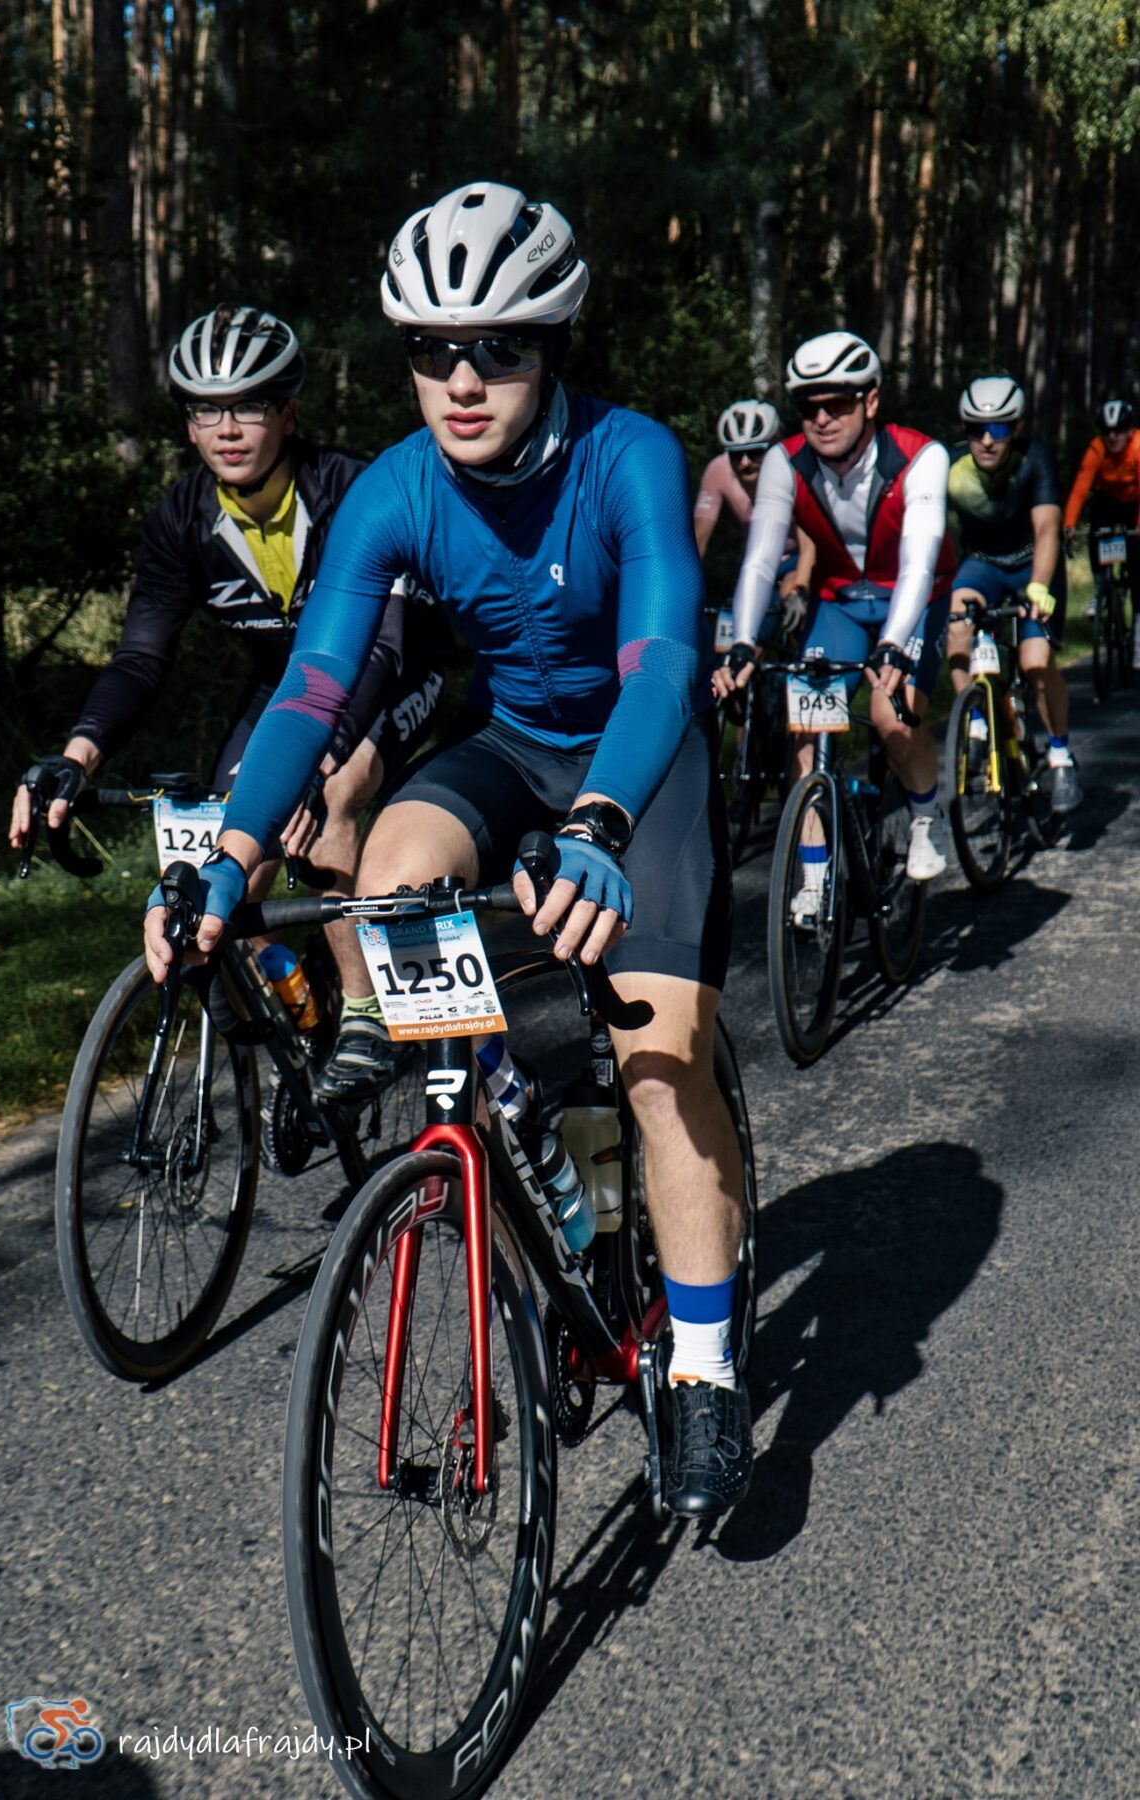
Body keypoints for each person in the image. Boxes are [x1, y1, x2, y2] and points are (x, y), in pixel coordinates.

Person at [143, 182, 753, 1520]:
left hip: (640, 761)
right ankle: (516, 1155)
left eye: (499, 348)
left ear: (553, 347)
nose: (463, 380)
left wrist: (601, 823)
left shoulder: (632, 456)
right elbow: (313, 687)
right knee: (390, 874)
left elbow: (663, 660)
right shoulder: (397, 488)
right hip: (516, 746)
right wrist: (229, 865)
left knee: (658, 1068)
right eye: (432, 350)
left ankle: (706, 1369)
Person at [9, 304, 447, 1096]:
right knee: (224, 852)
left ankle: (365, 1018)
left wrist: (323, 764)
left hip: (396, 672)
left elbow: (383, 648)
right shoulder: (182, 519)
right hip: (288, 689)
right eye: (206, 410)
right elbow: (141, 659)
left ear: (289, 414)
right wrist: (77, 756)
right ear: (187, 426)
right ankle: (300, 1016)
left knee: (330, 803)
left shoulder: (350, 490)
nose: (228, 428)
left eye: (249, 405)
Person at [716, 331, 954, 915]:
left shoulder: (921, 457)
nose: (821, 418)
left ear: (870, 401)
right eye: (808, 406)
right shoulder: (785, 461)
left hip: (913, 598)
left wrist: (893, 644)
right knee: (808, 726)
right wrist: (743, 643)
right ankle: (814, 874)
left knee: (891, 716)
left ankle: (926, 818)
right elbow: (759, 558)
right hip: (841, 602)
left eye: (837, 403)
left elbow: (920, 562)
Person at [946, 375, 1080, 812]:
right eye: (976, 429)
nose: (987, 440)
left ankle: (1060, 753)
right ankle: (976, 721)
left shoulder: (1034, 457)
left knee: (1035, 662)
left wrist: (1038, 587)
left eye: (999, 428)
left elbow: (1047, 529)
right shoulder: (952, 466)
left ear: (1017, 428)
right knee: (955, 624)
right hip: (983, 562)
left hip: (1030, 563)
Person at [695, 399, 812, 644]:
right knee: (740, 636)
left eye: (756, 452)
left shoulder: (794, 468)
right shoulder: (718, 470)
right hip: (759, 558)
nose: (745, 462)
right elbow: (698, 540)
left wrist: (799, 589)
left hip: (799, 556)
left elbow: (809, 541)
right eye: (736, 455)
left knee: (790, 595)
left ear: (775, 445)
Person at [1063, 398, 1140, 626]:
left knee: (1136, 561)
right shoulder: (1097, 448)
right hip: (1107, 499)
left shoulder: (1138, 446)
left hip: (1134, 501)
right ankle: (1101, 590)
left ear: (1130, 430)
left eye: (1119, 430)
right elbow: (1081, 487)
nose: (1112, 437)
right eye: (1107, 431)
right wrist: (1069, 523)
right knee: (1097, 533)